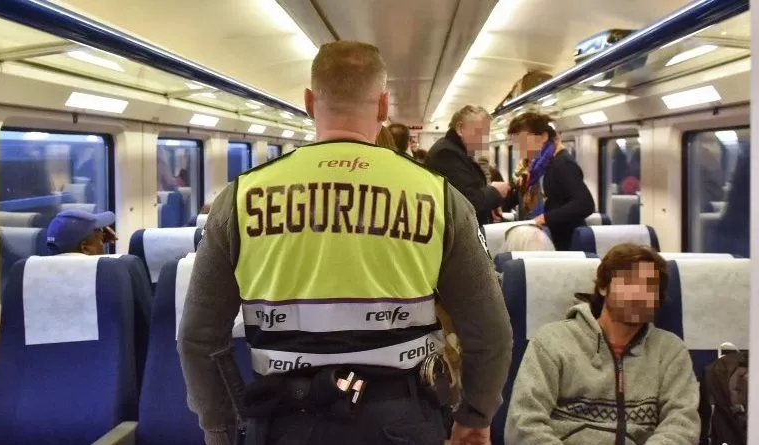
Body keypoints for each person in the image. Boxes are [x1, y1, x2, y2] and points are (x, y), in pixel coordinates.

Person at [177, 40, 513, 445]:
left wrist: (221, 427)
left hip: (284, 419)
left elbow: (198, 338)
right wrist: (475, 416)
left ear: (308, 102)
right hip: (403, 418)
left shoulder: (239, 200)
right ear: (384, 106)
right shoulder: (441, 198)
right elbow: (489, 331)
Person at [505, 243, 700, 444]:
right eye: (629, 281)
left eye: (650, 286)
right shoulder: (552, 341)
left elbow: (681, 425)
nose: (640, 293)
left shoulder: (670, 351)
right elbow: (523, 423)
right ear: (603, 286)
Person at [506, 112, 595, 250]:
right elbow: (518, 196)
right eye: (515, 141)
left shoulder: (562, 163)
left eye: (522, 140)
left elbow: (585, 203)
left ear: (543, 137)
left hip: (560, 241)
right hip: (536, 236)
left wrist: (546, 218)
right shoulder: (529, 167)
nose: (518, 147)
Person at [425, 105, 510, 226]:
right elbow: (466, 201)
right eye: (480, 132)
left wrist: (491, 204)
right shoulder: (446, 154)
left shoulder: (458, 152)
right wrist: (495, 191)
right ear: (460, 128)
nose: (484, 140)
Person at [45, 209, 118, 255]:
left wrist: (95, 241)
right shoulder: (105, 276)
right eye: (101, 240)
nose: (103, 245)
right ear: (85, 248)